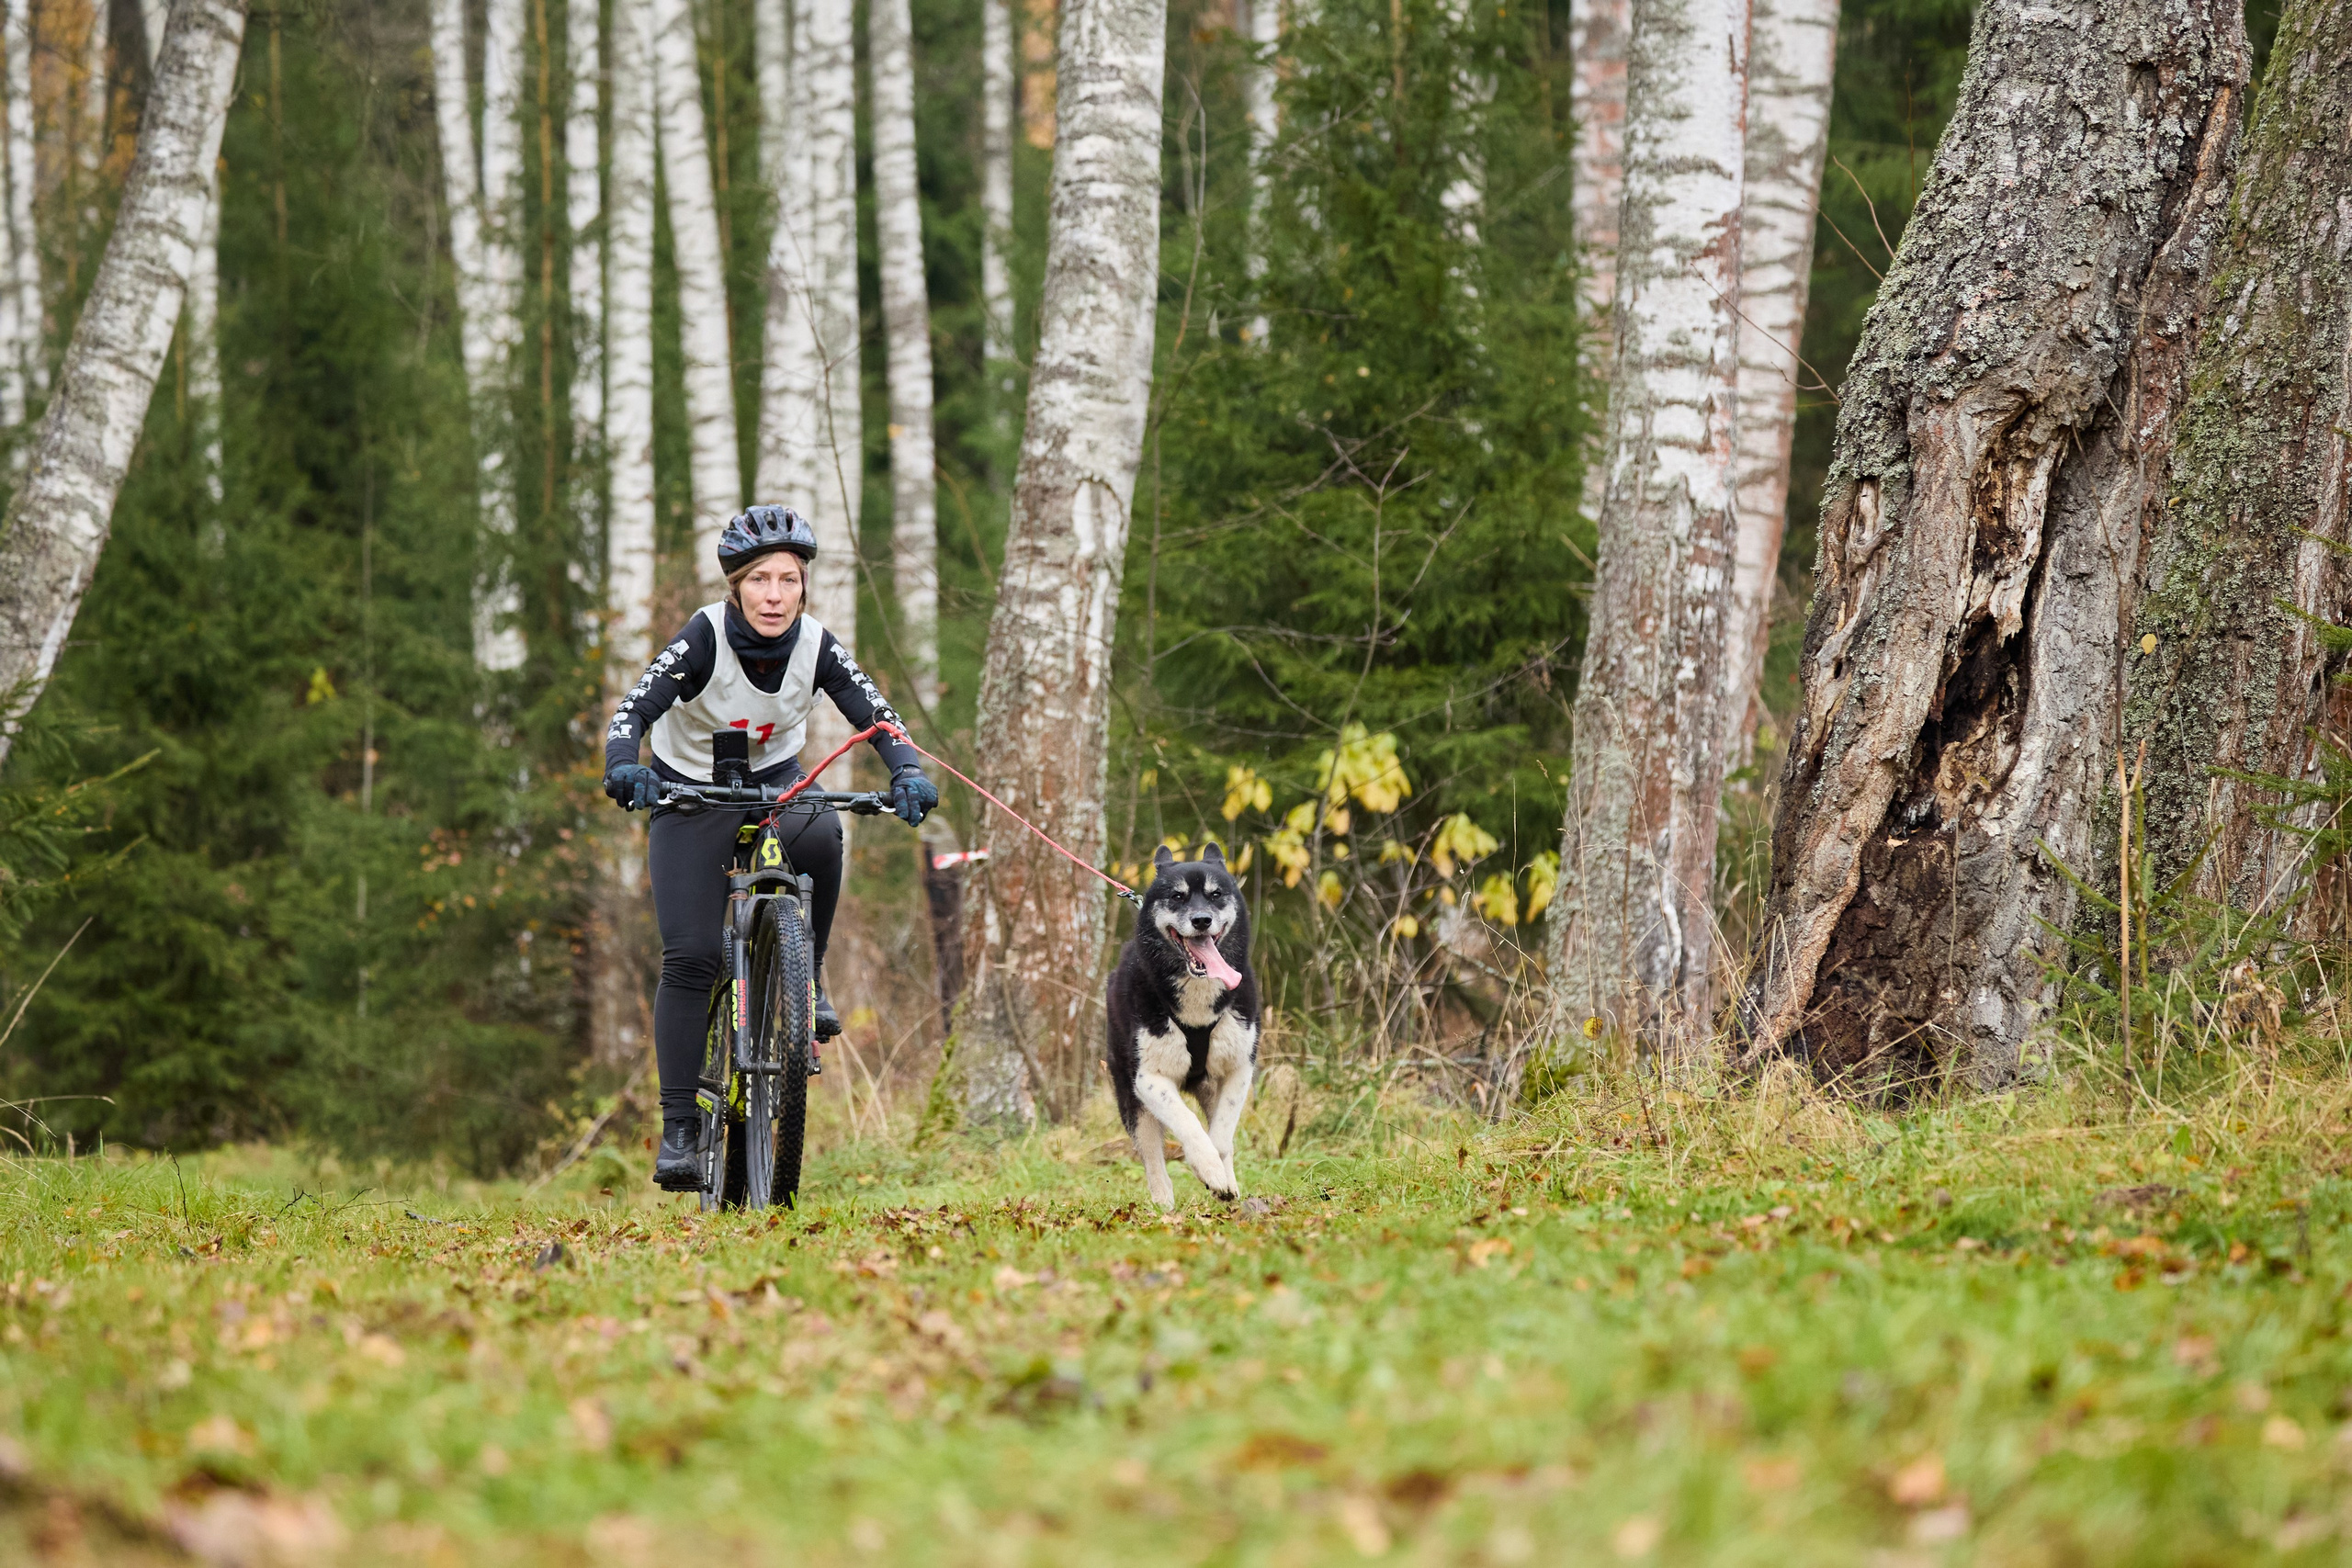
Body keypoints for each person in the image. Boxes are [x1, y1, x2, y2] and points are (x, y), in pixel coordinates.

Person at [602, 505, 939, 1190]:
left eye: (790, 579)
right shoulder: (701, 639)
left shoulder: (817, 643)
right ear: (736, 587)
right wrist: (622, 764)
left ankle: (804, 971)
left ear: (804, 586)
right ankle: (679, 1131)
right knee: (691, 955)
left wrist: (906, 768)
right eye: (760, 580)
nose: (776, 595)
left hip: (777, 788)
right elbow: (631, 710)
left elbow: (877, 714)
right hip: (689, 795)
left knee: (822, 828)